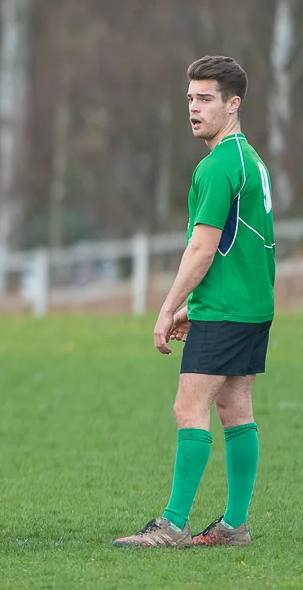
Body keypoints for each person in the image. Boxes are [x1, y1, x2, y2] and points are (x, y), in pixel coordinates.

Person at [115, 56, 274, 548]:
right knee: (235, 404)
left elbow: (203, 248)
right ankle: (234, 525)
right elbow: (240, 246)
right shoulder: (252, 161)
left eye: (205, 99)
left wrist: (167, 307)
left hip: (226, 309)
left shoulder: (218, 165)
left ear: (234, 104)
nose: (194, 108)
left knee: (190, 407)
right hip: (251, 305)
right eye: (190, 98)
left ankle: (173, 524)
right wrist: (194, 306)